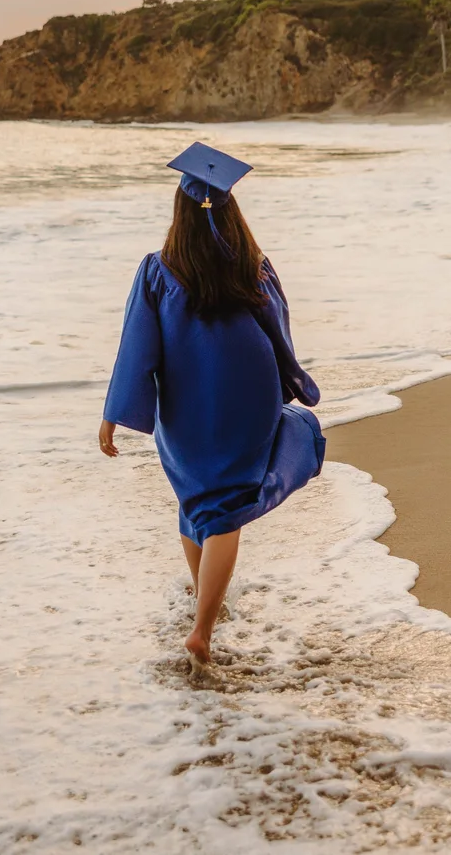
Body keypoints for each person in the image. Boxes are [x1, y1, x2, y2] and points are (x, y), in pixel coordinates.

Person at [98, 142, 325, 667]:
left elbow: (138, 344)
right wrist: (290, 382)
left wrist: (115, 411)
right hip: (247, 389)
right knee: (220, 501)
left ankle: (203, 626)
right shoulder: (253, 264)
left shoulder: (158, 269)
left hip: (186, 396)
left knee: (200, 496)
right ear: (232, 212)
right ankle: (208, 608)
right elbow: (277, 327)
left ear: (179, 214)